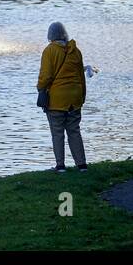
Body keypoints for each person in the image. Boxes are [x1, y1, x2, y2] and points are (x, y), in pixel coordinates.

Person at [38, 21, 87, 172]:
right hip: (75, 97)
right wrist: (82, 96)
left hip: (57, 99)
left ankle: (60, 166)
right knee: (74, 131)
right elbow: (81, 77)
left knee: (57, 133)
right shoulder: (75, 51)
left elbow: (46, 76)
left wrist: (40, 88)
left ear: (50, 35)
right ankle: (82, 165)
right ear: (65, 34)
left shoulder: (49, 51)